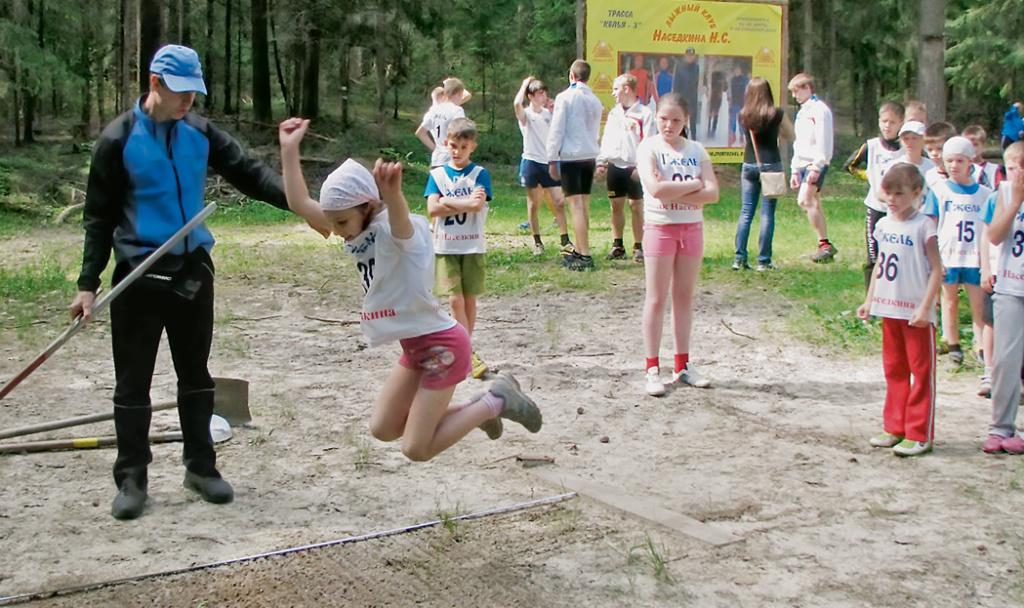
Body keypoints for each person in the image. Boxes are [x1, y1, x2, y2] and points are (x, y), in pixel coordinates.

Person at [68, 45, 330, 521]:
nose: (189, 100)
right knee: (133, 384)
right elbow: (98, 217)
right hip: (138, 274)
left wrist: (302, 206)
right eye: (181, 92)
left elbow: (249, 174)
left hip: (191, 272)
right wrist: (88, 283)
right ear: (155, 84)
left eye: (195, 91)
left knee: (196, 377)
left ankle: (201, 467)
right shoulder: (118, 139)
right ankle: (131, 477)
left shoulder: (199, 132)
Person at [277, 120, 542, 462]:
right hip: (416, 348)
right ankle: (477, 410)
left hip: (444, 347)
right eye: (334, 222)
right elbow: (299, 202)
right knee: (384, 428)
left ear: (367, 207)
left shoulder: (394, 232)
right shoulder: (354, 227)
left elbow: (400, 223)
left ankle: (498, 400)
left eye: (342, 222)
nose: (337, 230)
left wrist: (394, 194)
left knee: (416, 448)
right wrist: (288, 149)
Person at [636, 93, 719, 396]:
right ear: (655, 117)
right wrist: (695, 183)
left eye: (676, 120)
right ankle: (652, 368)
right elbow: (656, 189)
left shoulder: (697, 150)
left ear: (686, 121)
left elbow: (713, 194)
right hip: (660, 227)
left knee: (683, 297)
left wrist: (679, 190)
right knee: (656, 298)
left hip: (692, 228)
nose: (669, 125)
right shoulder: (649, 147)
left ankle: (683, 365)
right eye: (663, 118)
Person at [856, 164, 942, 457]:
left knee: (921, 371)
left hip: (915, 314)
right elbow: (880, 265)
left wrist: (926, 306)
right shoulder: (883, 226)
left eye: (899, 193)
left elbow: (937, 269)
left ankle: (919, 433)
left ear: (917, 194)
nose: (891, 199)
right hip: (888, 308)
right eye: (887, 192)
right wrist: (870, 300)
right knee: (894, 370)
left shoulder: (924, 226)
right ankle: (895, 427)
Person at [423, 117, 492, 380]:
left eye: (463, 147)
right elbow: (432, 208)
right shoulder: (438, 175)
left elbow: (477, 206)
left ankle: (464, 349)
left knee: (469, 299)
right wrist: (464, 202)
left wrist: (449, 202)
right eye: (453, 145)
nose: (457, 151)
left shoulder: (480, 174)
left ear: (472, 147)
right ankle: (468, 352)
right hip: (445, 246)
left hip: (472, 245)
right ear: (445, 143)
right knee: (454, 300)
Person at [923, 136, 992, 367]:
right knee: (949, 300)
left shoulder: (983, 193)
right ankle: (953, 345)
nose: (954, 165)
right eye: (949, 161)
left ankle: (981, 346)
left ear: (970, 161)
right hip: (949, 255)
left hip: (974, 256)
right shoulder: (939, 191)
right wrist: (934, 258)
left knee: (978, 304)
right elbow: (930, 226)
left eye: (959, 161)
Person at [980, 142, 1024, 453]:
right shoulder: (1002, 196)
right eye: (1012, 168)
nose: (1018, 173)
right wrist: (1015, 201)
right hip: (1010, 287)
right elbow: (994, 236)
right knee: (1006, 361)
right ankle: (1000, 428)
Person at [546, 59, 604, 271]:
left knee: (575, 205)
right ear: (587, 77)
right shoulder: (595, 100)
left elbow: (557, 129)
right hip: (589, 155)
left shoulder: (565, 97)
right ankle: (580, 248)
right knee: (584, 204)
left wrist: (552, 158)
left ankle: (585, 254)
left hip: (571, 156)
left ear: (571, 75)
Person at [843, 101, 906, 288]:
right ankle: (870, 302)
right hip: (876, 208)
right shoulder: (871, 146)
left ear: (901, 123)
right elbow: (850, 166)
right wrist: (868, 176)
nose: (887, 126)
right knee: (873, 256)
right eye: (884, 121)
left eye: (893, 122)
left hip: (900, 211)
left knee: (898, 255)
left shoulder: (906, 148)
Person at [733, 77, 793, 271]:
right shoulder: (777, 114)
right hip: (771, 164)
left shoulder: (743, 114)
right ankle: (763, 260)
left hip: (749, 163)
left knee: (746, 211)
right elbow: (791, 136)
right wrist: (777, 134)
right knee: (767, 214)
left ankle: (739, 258)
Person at [596, 73, 656, 263]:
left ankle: (639, 246)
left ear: (626, 89)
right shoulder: (614, 113)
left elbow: (648, 142)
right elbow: (607, 138)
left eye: (616, 88)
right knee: (616, 206)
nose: (613, 93)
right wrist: (601, 161)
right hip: (615, 166)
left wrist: (642, 165)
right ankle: (618, 245)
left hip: (634, 168)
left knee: (636, 206)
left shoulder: (644, 114)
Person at [513, 76, 571, 256]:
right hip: (531, 162)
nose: (544, 97)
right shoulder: (527, 115)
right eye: (539, 93)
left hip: (549, 163)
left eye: (545, 93)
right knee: (534, 204)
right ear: (530, 96)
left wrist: (554, 112)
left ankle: (565, 239)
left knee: (559, 201)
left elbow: (560, 133)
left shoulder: (549, 114)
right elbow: (516, 105)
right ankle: (537, 241)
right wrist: (524, 84)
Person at [788, 73, 836, 263]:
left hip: (816, 162)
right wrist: (794, 168)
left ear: (808, 88)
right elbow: (798, 142)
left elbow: (824, 140)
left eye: (797, 91)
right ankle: (823, 245)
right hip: (802, 162)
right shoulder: (802, 112)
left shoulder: (820, 110)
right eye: (792, 92)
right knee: (814, 202)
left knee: (804, 200)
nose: (795, 96)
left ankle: (825, 244)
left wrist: (818, 166)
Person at [415, 78, 468, 168]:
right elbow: (460, 134)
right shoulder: (457, 111)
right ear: (459, 93)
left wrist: (435, 148)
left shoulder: (434, 110)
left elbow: (420, 133)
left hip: (437, 159)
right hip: (451, 159)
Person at [672, 49, 700, 140]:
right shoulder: (680, 70)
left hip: (693, 100)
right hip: (683, 100)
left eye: (691, 55)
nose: (690, 57)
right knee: (682, 122)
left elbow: (700, 83)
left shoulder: (697, 68)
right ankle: (681, 141)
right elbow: (676, 86)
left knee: (693, 123)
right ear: (685, 56)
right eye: (688, 55)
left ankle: (694, 141)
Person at [896, 120, 935, 185]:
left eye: (914, 138)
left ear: (924, 140)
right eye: (906, 138)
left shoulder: (932, 167)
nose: (910, 143)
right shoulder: (895, 167)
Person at [727, 66, 749, 147]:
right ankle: (732, 136)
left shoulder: (744, 80)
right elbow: (729, 91)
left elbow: (747, 91)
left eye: (738, 70)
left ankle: (742, 137)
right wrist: (729, 99)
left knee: (741, 121)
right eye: (735, 70)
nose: (737, 72)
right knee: (732, 120)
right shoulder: (732, 80)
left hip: (742, 103)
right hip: (734, 103)